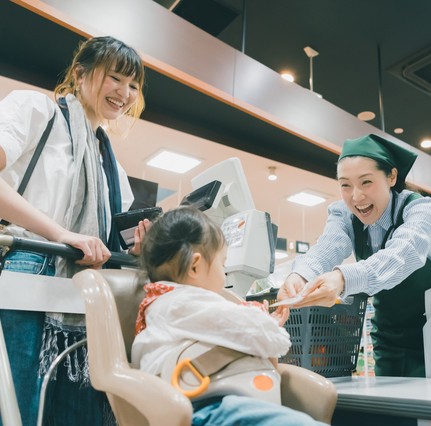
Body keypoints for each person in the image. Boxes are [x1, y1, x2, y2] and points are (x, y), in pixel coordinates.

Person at [0, 36, 149, 425]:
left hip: (87, 294)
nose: (125, 93)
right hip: (28, 273)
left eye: (133, 85)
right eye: (115, 77)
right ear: (80, 74)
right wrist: (60, 234)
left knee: (78, 412)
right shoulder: (36, 110)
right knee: (20, 411)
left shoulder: (111, 167)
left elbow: (110, 239)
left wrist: (137, 248)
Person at [132, 206, 327, 425]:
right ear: (195, 267)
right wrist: (267, 322)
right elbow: (275, 340)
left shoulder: (163, 305)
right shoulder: (185, 304)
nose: (224, 275)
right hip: (207, 409)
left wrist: (265, 325)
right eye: (222, 264)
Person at [277, 134, 431, 378]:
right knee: (392, 401)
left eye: (366, 182)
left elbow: (403, 254)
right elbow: (327, 247)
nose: (356, 196)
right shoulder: (344, 215)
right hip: (390, 338)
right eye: (345, 185)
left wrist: (342, 279)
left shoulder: (418, 209)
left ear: (391, 177)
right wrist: (300, 276)